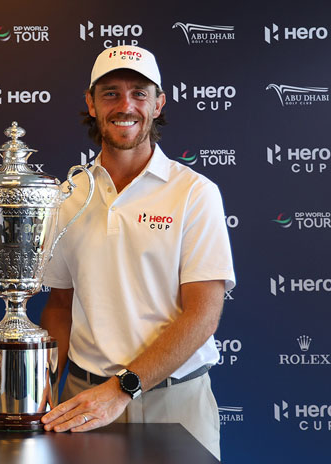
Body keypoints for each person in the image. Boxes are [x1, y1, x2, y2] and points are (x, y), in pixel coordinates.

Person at [39, 46, 235, 460]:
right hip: (84, 398)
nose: (125, 105)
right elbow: (59, 305)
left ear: (158, 103)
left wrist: (122, 388)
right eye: (110, 93)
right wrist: (44, 386)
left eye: (139, 93)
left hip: (174, 400)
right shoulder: (66, 197)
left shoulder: (195, 193)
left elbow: (203, 314)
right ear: (90, 104)